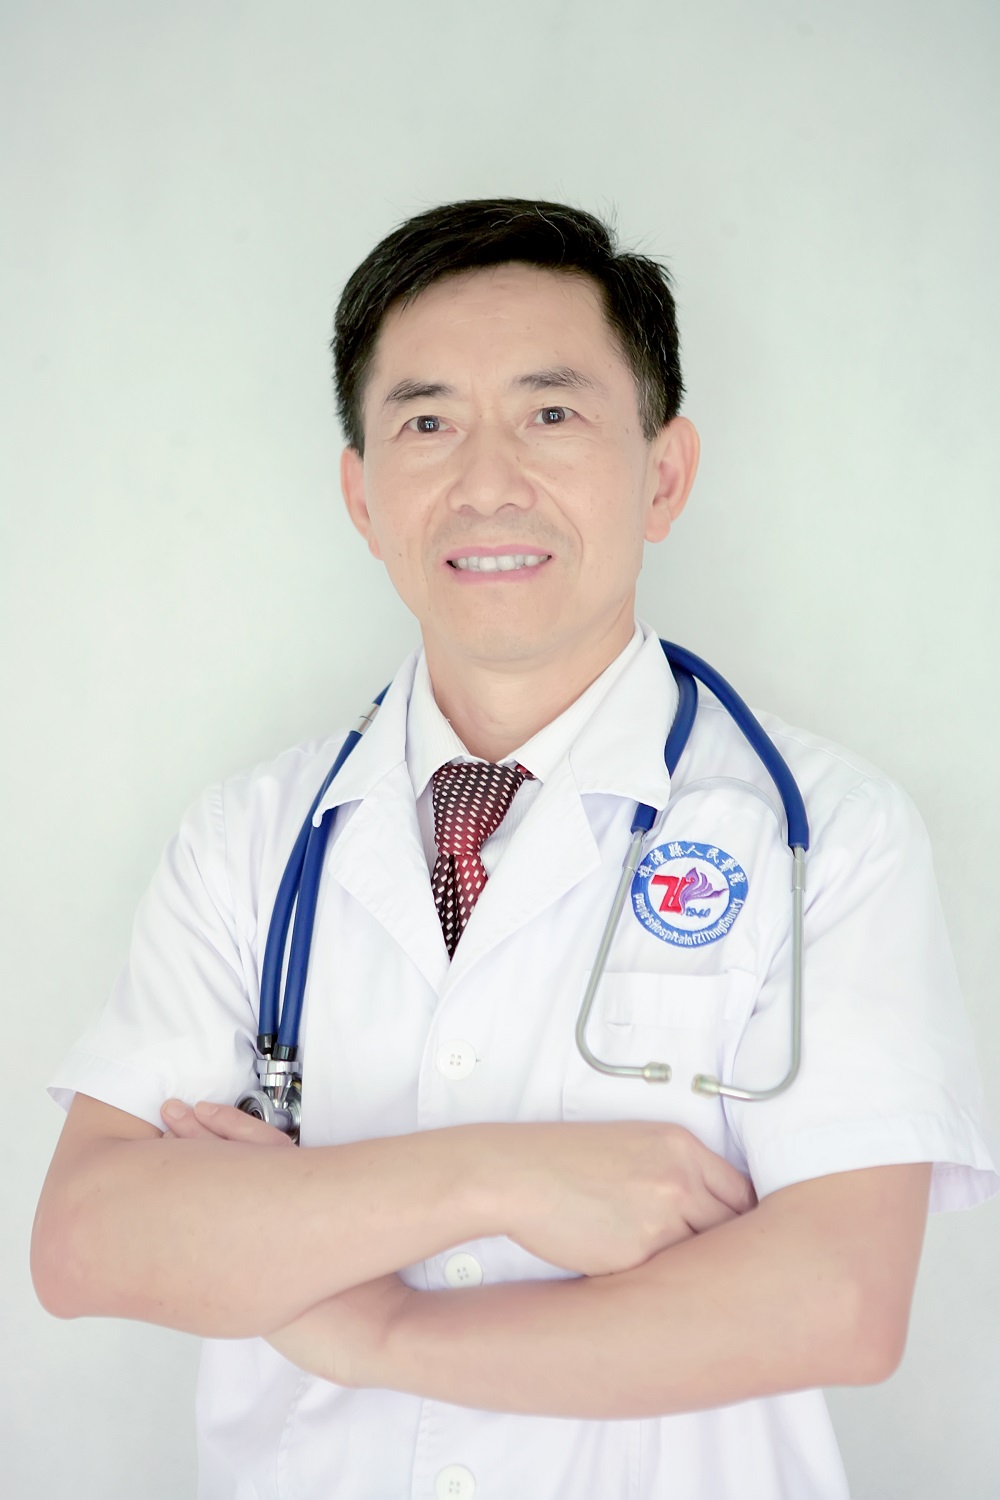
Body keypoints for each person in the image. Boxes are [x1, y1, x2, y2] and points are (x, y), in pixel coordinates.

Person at [32, 198, 997, 1500]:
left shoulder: (822, 837)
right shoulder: (248, 842)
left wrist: (377, 1328)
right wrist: (503, 1177)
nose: (486, 482)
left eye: (551, 413)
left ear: (664, 475)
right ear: (361, 494)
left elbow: (835, 1300)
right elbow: (90, 1240)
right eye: (426, 423)